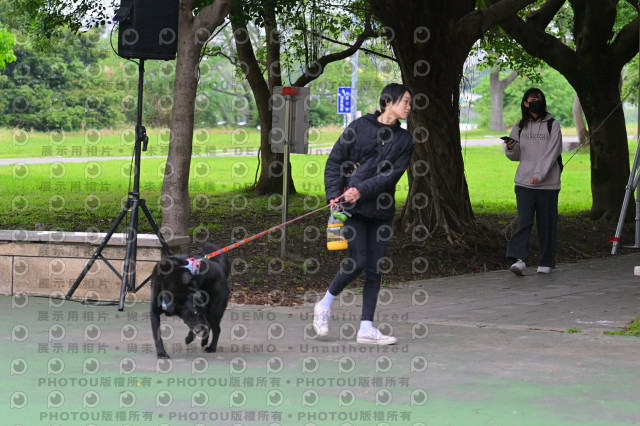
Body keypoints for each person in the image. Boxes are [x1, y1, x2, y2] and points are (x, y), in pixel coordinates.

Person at [313, 83, 415, 345]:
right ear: (388, 101)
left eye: (410, 102)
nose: (409, 106)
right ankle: (324, 304)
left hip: (381, 211)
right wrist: (333, 194)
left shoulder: (405, 140)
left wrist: (360, 190)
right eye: (405, 101)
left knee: (374, 267)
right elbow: (335, 162)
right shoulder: (359, 126)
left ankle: (366, 328)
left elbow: (390, 176)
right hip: (352, 209)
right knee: (357, 261)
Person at [503, 88, 562, 275]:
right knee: (524, 222)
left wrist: (539, 174)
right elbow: (516, 156)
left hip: (548, 184)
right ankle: (518, 260)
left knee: (547, 224)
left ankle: (546, 262)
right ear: (525, 103)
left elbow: (552, 153)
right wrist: (510, 148)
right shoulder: (520, 126)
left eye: (539, 98)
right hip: (524, 183)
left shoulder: (553, 125)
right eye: (533, 98)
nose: (537, 100)